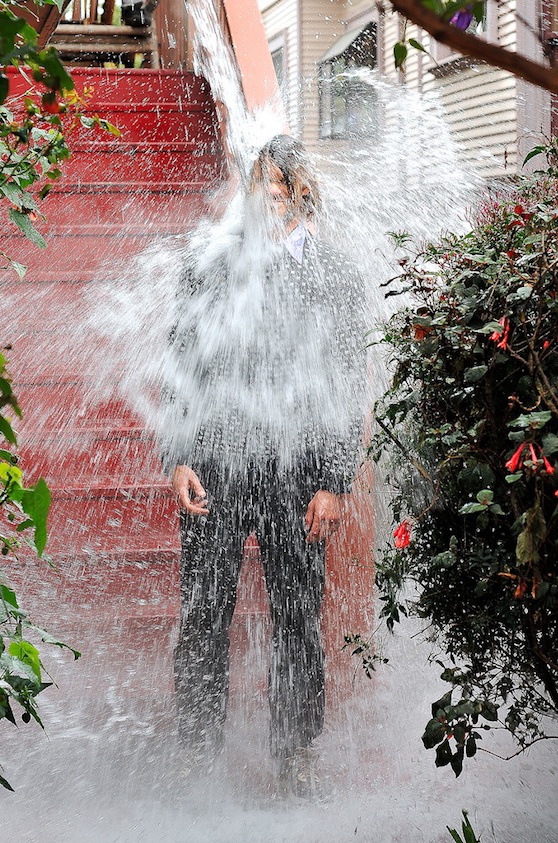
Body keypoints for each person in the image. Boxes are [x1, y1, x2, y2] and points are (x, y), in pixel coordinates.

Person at [162, 135, 366, 796]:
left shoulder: (335, 274)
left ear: (304, 193)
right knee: (202, 614)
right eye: (263, 184)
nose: (272, 194)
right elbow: (182, 358)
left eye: (284, 184)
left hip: (297, 472)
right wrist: (178, 455)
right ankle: (194, 751)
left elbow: (347, 381)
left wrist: (335, 481)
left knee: (297, 620)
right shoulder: (212, 264)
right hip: (217, 465)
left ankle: (295, 754)